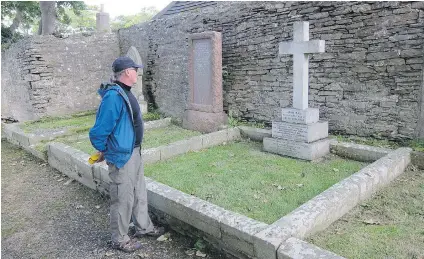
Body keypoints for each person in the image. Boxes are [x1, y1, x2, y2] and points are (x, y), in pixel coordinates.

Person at [89, 56, 164, 253]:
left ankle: (143, 227)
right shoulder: (114, 97)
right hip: (122, 156)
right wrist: (106, 151)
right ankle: (120, 238)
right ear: (127, 72)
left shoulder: (125, 92)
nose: (137, 73)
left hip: (134, 152)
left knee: (139, 191)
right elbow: (98, 132)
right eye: (135, 69)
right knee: (122, 197)